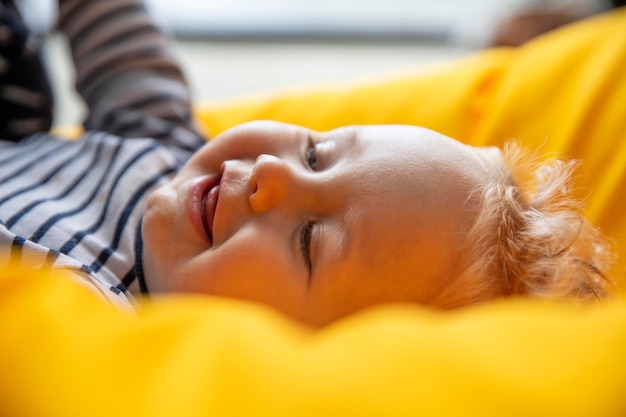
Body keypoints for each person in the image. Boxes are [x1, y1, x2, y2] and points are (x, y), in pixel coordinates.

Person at [0, 0, 614, 326]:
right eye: (316, 152)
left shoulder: (96, 315)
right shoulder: (167, 151)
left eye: (310, 241)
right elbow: (124, 50)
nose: (275, 175)